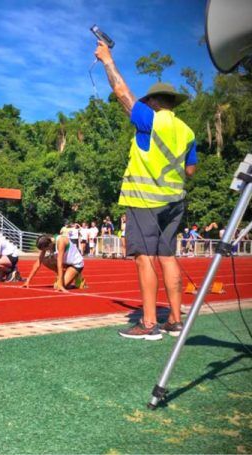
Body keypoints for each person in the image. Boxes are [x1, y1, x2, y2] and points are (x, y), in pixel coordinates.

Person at [95, 39, 196, 340]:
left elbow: (122, 93)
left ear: (153, 101)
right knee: (167, 257)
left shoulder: (149, 118)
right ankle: (175, 320)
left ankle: (149, 323)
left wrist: (107, 60)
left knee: (144, 258)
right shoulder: (187, 131)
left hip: (145, 201)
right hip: (175, 202)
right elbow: (190, 170)